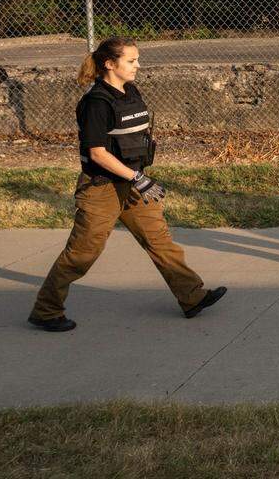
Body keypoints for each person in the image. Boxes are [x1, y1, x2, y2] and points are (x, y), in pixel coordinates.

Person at [27, 37, 226, 332]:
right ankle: (46, 310)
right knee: (82, 253)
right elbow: (97, 153)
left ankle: (192, 297)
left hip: (133, 183)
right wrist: (137, 178)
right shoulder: (96, 102)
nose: (138, 66)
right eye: (131, 61)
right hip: (102, 187)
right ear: (110, 64)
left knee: (160, 241)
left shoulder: (129, 91)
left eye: (137, 60)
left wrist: (137, 176)